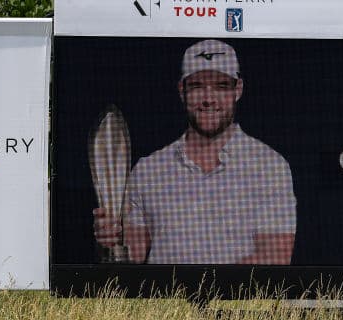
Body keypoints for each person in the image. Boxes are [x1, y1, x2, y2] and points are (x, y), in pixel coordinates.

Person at [94, 39, 297, 264]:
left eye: (221, 86)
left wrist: (194, 286)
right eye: (197, 86)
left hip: (235, 300)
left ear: (237, 90)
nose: (208, 99)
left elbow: (275, 258)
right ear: (182, 90)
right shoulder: (147, 170)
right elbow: (133, 257)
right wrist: (110, 242)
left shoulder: (270, 166)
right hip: (166, 300)